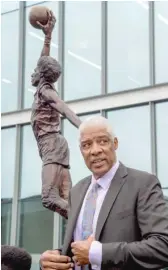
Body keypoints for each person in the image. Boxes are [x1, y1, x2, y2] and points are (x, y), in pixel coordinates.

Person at [40, 115, 168, 270]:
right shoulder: (77, 191)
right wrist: (55, 258)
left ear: (115, 144)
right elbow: (80, 248)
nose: (95, 150)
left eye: (102, 141)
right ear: (81, 151)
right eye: (86, 145)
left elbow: (162, 246)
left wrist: (97, 253)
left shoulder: (143, 184)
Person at [30, 10, 81, 219]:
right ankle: (80, 239)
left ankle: (88, 225)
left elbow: (63, 107)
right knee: (67, 199)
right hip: (55, 144)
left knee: (49, 197)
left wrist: (85, 127)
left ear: (41, 75)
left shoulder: (46, 91)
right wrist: (48, 37)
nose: (32, 72)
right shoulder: (44, 84)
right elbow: (44, 59)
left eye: (36, 70)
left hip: (51, 143)